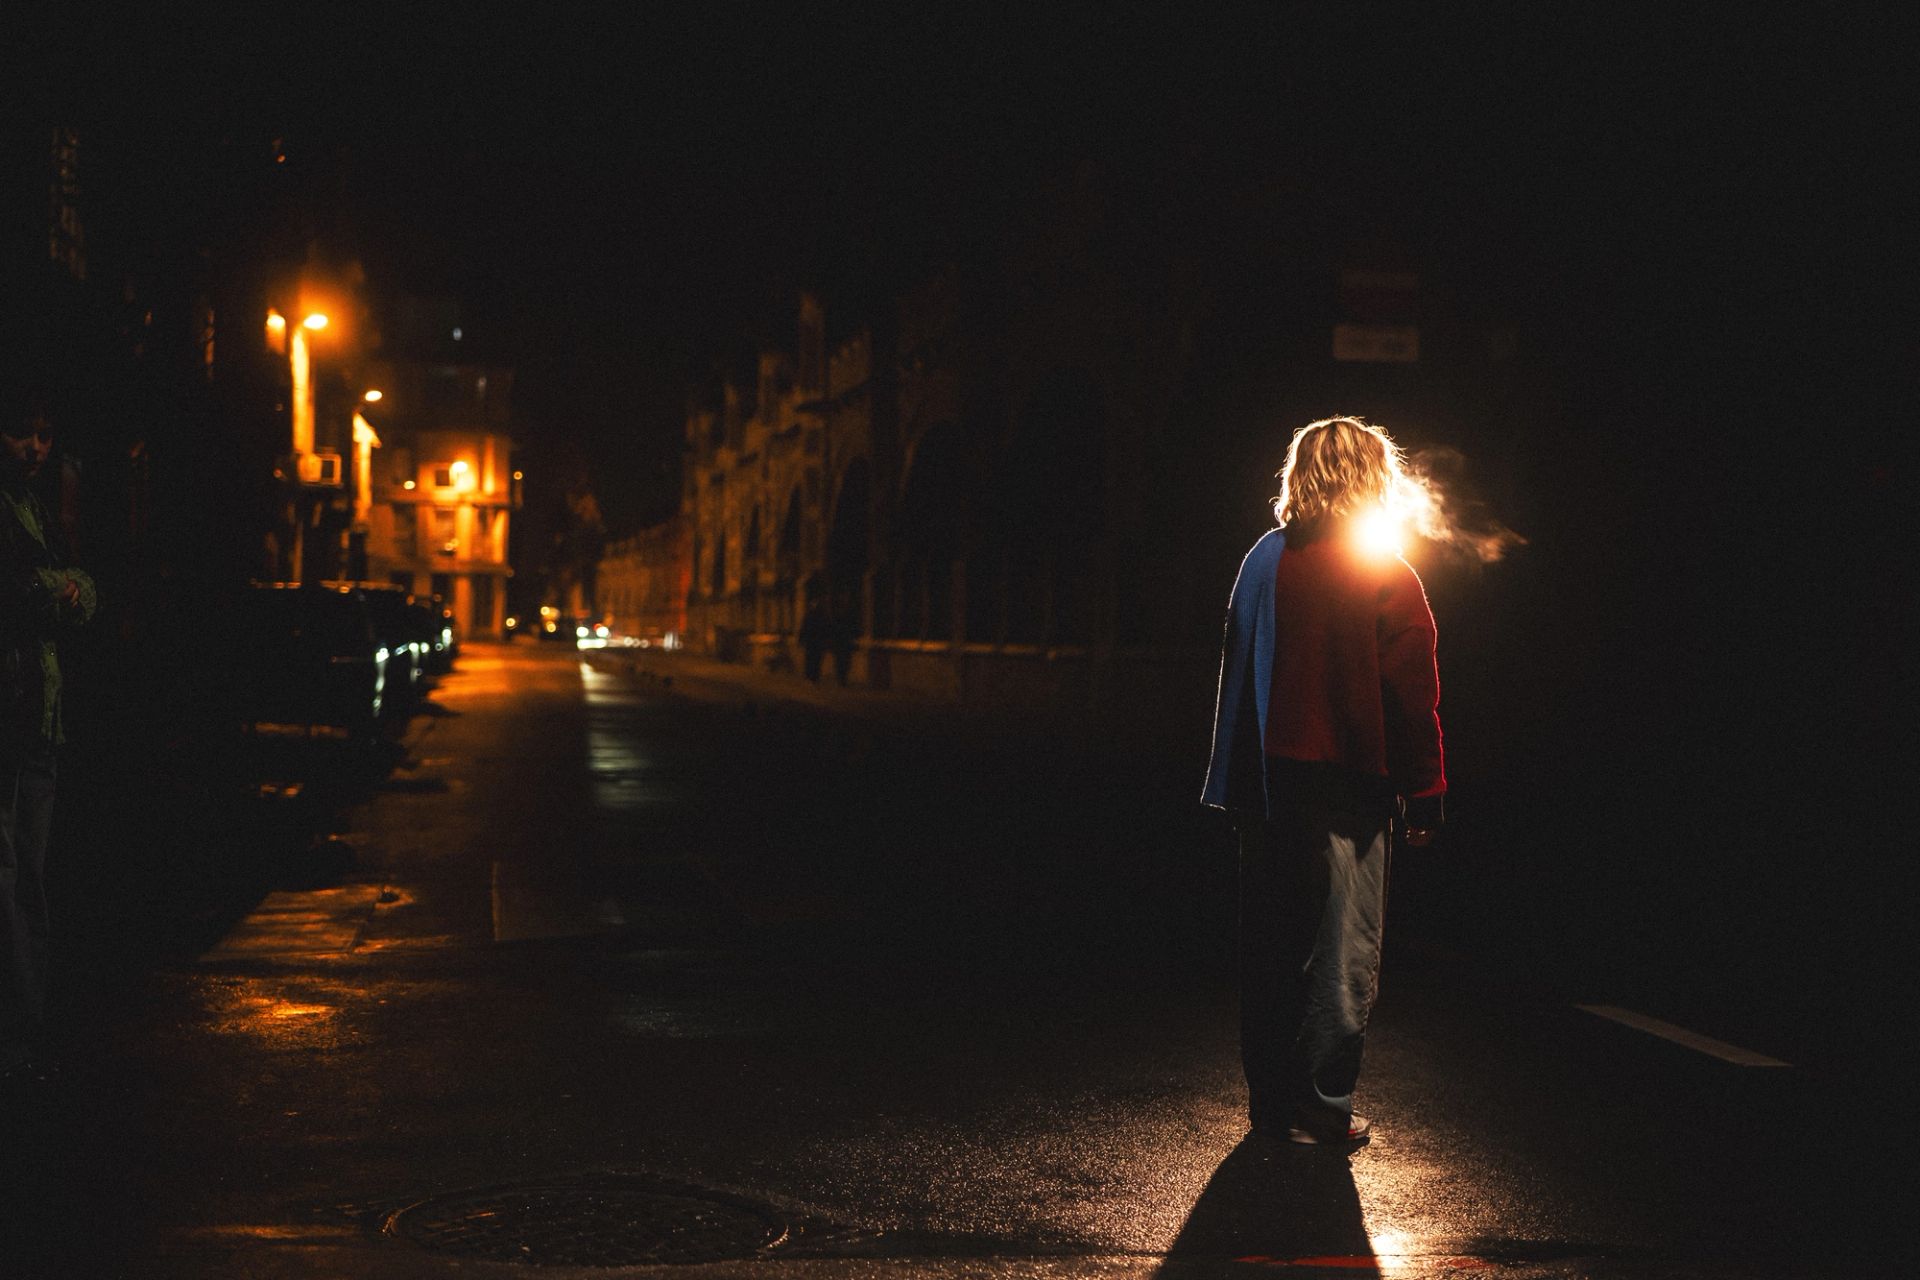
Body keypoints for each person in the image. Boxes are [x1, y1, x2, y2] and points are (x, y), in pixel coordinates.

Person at [1202, 416, 1444, 1146]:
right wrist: (1426, 791)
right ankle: (1321, 1105)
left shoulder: (1261, 560)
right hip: (1348, 785)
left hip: (1266, 785)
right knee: (1342, 953)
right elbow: (1411, 693)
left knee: (1270, 945)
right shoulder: (1385, 572)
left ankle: (1270, 1104)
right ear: (1376, 479)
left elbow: (1238, 670)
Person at [1, 391, 97, 1090]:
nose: (35, 447)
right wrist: (57, 590)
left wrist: (63, 588)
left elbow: (84, 589)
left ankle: (25, 1033)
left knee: (28, 877)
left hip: (41, 715)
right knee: (12, 879)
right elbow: (24, 591)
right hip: (10, 716)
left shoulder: (37, 504)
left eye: (43, 433)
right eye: (21, 434)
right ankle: (19, 1034)